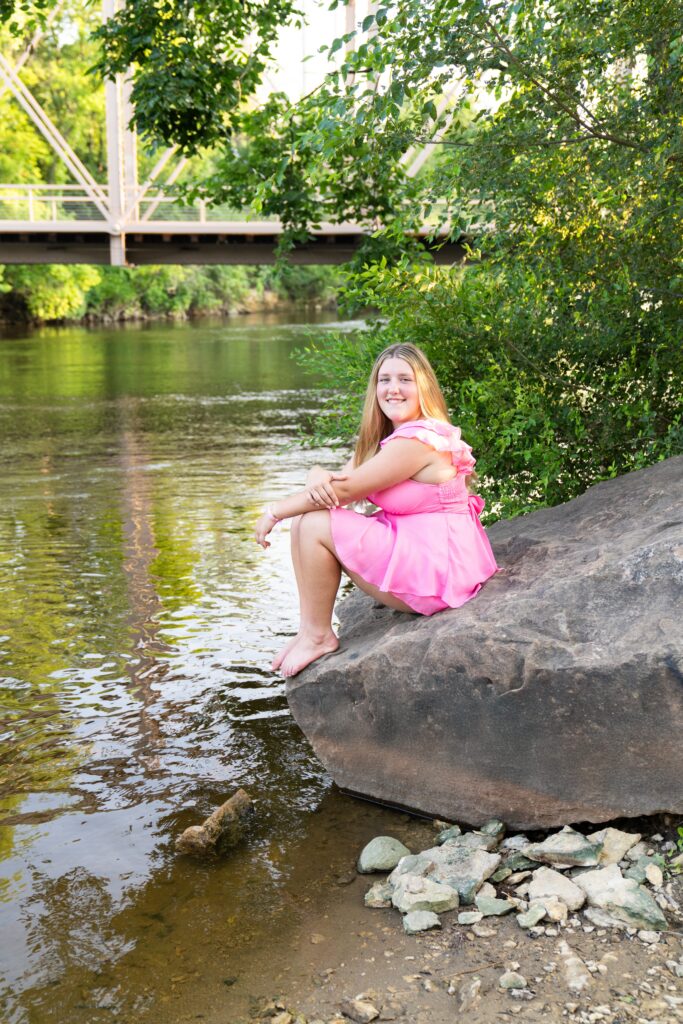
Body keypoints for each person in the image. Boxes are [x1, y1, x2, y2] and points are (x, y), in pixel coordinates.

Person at [254, 342, 499, 678]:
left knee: (312, 524)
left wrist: (274, 512)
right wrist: (315, 473)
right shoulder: (388, 436)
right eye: (384, 380)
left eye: (404, 380)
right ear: (375, 388)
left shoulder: (418, 441)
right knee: (308, 520)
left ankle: (319, 636)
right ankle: (309, 630)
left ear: (423, 387)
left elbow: (344, 491)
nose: (393, 389)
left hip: (439, 568)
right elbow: (336, 482)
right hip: (422, 549)